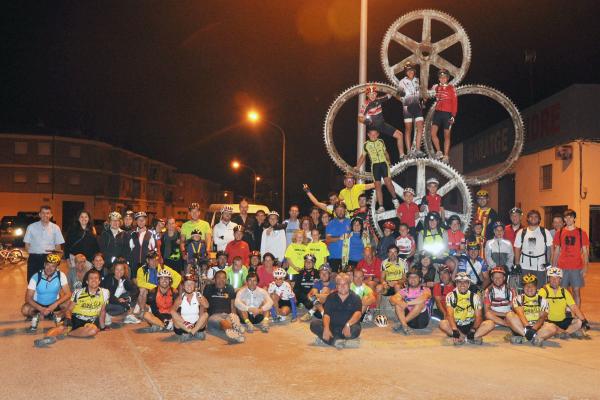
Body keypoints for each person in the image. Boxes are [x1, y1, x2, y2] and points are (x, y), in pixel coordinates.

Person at [34, 269, 109, 347]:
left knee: (93, 331)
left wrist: (102, 327)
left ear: (99, 281)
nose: (94, 280)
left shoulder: (105, 292)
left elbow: (102, 311)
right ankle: (46, 339)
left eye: (96, 278)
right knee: (61, 327)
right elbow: (69, 309)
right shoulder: (78, 292)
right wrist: (68, 318)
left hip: (90, 321)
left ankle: (68, 333)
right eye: (91, 278)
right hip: (75, 317)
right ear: (87, 281)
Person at [310, 272, 362, 349]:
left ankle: (330, 340)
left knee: (356, 329)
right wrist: (326, 328)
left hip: (348, 327)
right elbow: (326, 314)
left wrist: (348, 324)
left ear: (349, 285)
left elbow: (358, 313)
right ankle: (339, 342)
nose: (342, 286)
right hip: (332, 326)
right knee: (314, 324)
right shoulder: (331, 297)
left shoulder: (356, 297)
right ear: (336, 286)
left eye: (345, 284)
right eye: (339, 284)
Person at [439, 272, 494, 345]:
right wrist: (455, 330)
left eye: (465, 282)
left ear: (468, 284)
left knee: (490, 324)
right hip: (457, 325)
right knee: (442, 323)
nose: (462, 285)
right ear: (456, 284)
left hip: (470, 325)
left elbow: (479, 316)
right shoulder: (450, 296)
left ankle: (462, 338)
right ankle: (469, 338)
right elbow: (449, 315)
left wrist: (473, 329)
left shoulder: (475, 297)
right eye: (459, 282)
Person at [355, 129, 400, 213]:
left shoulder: (381, 141)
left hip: (384, 164)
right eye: (371, 134)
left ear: (378, 134)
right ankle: (381, 206)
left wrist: (389, 162)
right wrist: (357, 167)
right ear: (368, 135)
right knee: (377, 186)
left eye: (375, 134)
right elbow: (362, 156)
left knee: (388, 182)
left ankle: (395, 199)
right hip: (375, 166)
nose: (373, 136)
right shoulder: (366, 144)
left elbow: (386, 153)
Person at [22, 253, 71, 331]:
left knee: (69, 303)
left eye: (53, 266)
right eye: (48, 265)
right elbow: (28, 298)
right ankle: (45, 314)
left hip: (54, 303)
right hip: (39, 303)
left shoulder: (61, 275)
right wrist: (40, 308)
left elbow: (68, 294)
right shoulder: (36, 276)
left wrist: (55, 304)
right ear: (44, 264)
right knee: (25, 310)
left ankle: (53, 314)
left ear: (56, 267)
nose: (49, 268)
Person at [505, 273, 556, 346]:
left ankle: (524, 338)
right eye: (526, 286)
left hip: (537, 328)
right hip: (522, 328)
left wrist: (533, 329)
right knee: (509, 315)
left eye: (532, 286)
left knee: (553, 327)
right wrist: (528, 327)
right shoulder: (518, 298)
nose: (529, 288)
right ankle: (534, 338)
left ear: (536, 287)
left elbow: (542, 318)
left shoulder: (542, 300)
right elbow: (520, 314)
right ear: (523, 288)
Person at [551, 209, 589, 307]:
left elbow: (585, 252)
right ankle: (567, 312)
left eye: (570, 217)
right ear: (564, 219)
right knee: (563, 291)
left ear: (574, 218)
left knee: (576, 291)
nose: (568, 219)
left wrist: (585, 268)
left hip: (576, 267)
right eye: (566, 217)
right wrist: (553, 267)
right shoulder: (559, 232)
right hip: (562, 267)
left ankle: (577, 315)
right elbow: (556, 251)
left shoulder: (581, 233)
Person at [358, 84, 406, 159]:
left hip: (382, 125)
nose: (372, 96)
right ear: (367, 95)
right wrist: (367, 121)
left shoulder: (379, 99)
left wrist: (399, 90)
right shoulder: (365, 104)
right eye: (370, 94)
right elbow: (360, 118)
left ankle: (402, 156)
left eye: (374, 94)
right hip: (373, 127)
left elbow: (390, 94)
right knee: (376, 147)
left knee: (400, 135)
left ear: (376, 94)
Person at [539, 267, 589, 338]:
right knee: (550, 326)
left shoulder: (564, 291)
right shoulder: (543, 290)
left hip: (562, 321)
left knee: (579, 322)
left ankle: (562, 332)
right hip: (548, 321)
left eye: (557, 278)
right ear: (548, 279)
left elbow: (574, 306)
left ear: (560, 280)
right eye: (552, 277)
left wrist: (584, 321)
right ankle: (564, 332)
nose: (554, 280)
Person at [24, 205, 65, 281]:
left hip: (49, 259)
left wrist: (54, 260)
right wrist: (33, 254)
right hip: (34, 258)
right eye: (43, 213)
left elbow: (58, 246)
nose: (45, 215)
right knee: (32, 280)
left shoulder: (56, 228)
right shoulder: (31, 227)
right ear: (39, 214)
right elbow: (26, 245)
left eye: (47, 213)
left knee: (48, 281)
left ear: (51, 215)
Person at [203, 270, 246, 343]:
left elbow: (232, 306)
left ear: (226, 280)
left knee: (215, 329)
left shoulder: (229, 288)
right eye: (218, 278)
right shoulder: (208, 288)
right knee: (222, 322)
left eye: (223, 278)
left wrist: (234, 315)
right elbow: (203, 305)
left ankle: (235, 332)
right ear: (214, 279)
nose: (221, 280)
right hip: (214, 316)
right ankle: (235, 329)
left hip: (228, 315)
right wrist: (204, 320)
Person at [135, 250, 182, 316]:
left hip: (162, 291)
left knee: (177, 290)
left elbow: (178, 276)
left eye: (156, 259)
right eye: (152, 260)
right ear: (147, 260)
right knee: (142, 290)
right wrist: (154, 287)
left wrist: (172, 287)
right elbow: (140, 283)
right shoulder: (142, 270)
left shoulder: (163, 268)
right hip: (150, 292)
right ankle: (142, 310)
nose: (154, 262)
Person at [514, 210, 553, 283]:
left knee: (540, 287)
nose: (533, 218)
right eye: (531, 217)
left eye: (536, 217)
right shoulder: (521, 232)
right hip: (525, 265)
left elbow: (551, 248)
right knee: (525, 287)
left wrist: (549, 262)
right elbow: (517, 248)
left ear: (539, 219)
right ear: (527, 219)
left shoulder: (545, 232)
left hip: (540, 265)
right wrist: (517, 264)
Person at [390, 270, 431, 334]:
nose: (413, 279)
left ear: (420, 279)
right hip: (409, 321)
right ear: (408, 280)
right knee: (398, 304)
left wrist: (407, 303)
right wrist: (400, 303)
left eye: (415, 277)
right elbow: (392, 299)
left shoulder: (425, 289)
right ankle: (405, 325)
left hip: (421, 321)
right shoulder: (404, 291)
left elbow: (423, 298)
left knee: (420, 304)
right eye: (410, 277)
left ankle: (402, 323)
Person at [430, 69, 458, 163]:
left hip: (448, 114)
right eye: (441, 77)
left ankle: (446, 156)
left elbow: (455, 102)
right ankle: (439, 151)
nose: (442, 79)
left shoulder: (451, 88)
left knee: (447, 136)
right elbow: (428, 93)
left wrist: (453, 115)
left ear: (447, 78)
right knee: (433, 133)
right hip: (438, 113)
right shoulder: (437, 87)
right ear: (439, 78)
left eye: (444, 77)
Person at [170, 273, 209, 341]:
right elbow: (172, 311)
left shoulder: (197, 295)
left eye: (191, 284)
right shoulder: (180, 298)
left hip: (196, 325)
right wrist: (185, 323)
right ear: (183, 286)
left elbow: (207, 305)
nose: (189, 286)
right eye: (187, 284)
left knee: (206, 315)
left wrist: (200, 296)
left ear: (194, 286)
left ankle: (192, 332)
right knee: (173, 314)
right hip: (184, 326)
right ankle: (190, 331)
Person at [399, 62, 425, 158]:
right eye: (408, 71)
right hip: (407, 108)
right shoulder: (401, 82)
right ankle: (409, 151)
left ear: (414, 71)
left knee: (420, 127)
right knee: (408, 129)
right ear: (406, 72)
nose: (411, 72)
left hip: (417, 107)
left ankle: (418, 150)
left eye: (412, 71)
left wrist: (422, 99)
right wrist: (405, 100)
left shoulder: (417, 80)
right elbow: (399, 95)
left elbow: (421, 92)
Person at [102, 258, 140, 324]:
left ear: (124, 270)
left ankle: (128, 316)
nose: (119, 271)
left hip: (117, 302)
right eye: (117, 269)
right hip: (107, 303)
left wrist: (128, 299)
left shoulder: (124, 279)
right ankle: (108, 316)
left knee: (132, 295)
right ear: (114, 270)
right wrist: (120, 301)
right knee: (122, 308)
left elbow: (135, 290)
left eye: (121, 269)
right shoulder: (109, 278)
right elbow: (107, 296)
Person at [325, 203, 351, 273]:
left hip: (347, 256)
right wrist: (340, 238)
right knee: (334, 278)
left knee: (347, 279)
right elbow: (328, 239)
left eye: (342, 210)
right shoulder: (330, 223)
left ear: (345, 211)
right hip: (334, 256)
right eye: (338, 210)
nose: (340, 212)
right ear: (335, 211)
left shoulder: (350, 222)